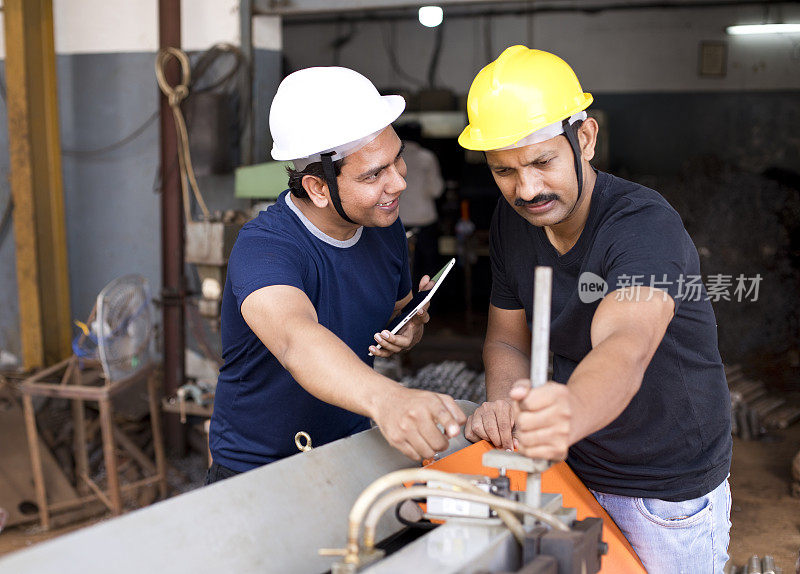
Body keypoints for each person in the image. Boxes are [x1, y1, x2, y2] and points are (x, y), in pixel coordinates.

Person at [458, 46, 732, 573]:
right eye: (504, 171)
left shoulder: (643, 226)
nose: (527, 189)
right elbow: (507, 338)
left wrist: (570, 411)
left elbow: (625, 343)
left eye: (542, 162)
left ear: (583, 139)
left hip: (663, 490)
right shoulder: (513, 219)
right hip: (574, 468)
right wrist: (506, 405)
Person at [207, 66, 465, 483]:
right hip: (257, 469)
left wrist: (409, 329)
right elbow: (296, 340)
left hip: (348, 449)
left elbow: (396, 315)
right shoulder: (265, 247)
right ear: (318, 188)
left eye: (396, 159)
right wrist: (389, 400)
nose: (398, 182)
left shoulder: (385, 226)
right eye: (373, 174)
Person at [395, 122, 444, 286]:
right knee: (428, 267)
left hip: (398, 220)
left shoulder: (394, 158)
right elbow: (436, 190)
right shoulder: (427, 157)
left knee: (401, 267)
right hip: (425, 220)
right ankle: (430, 305)